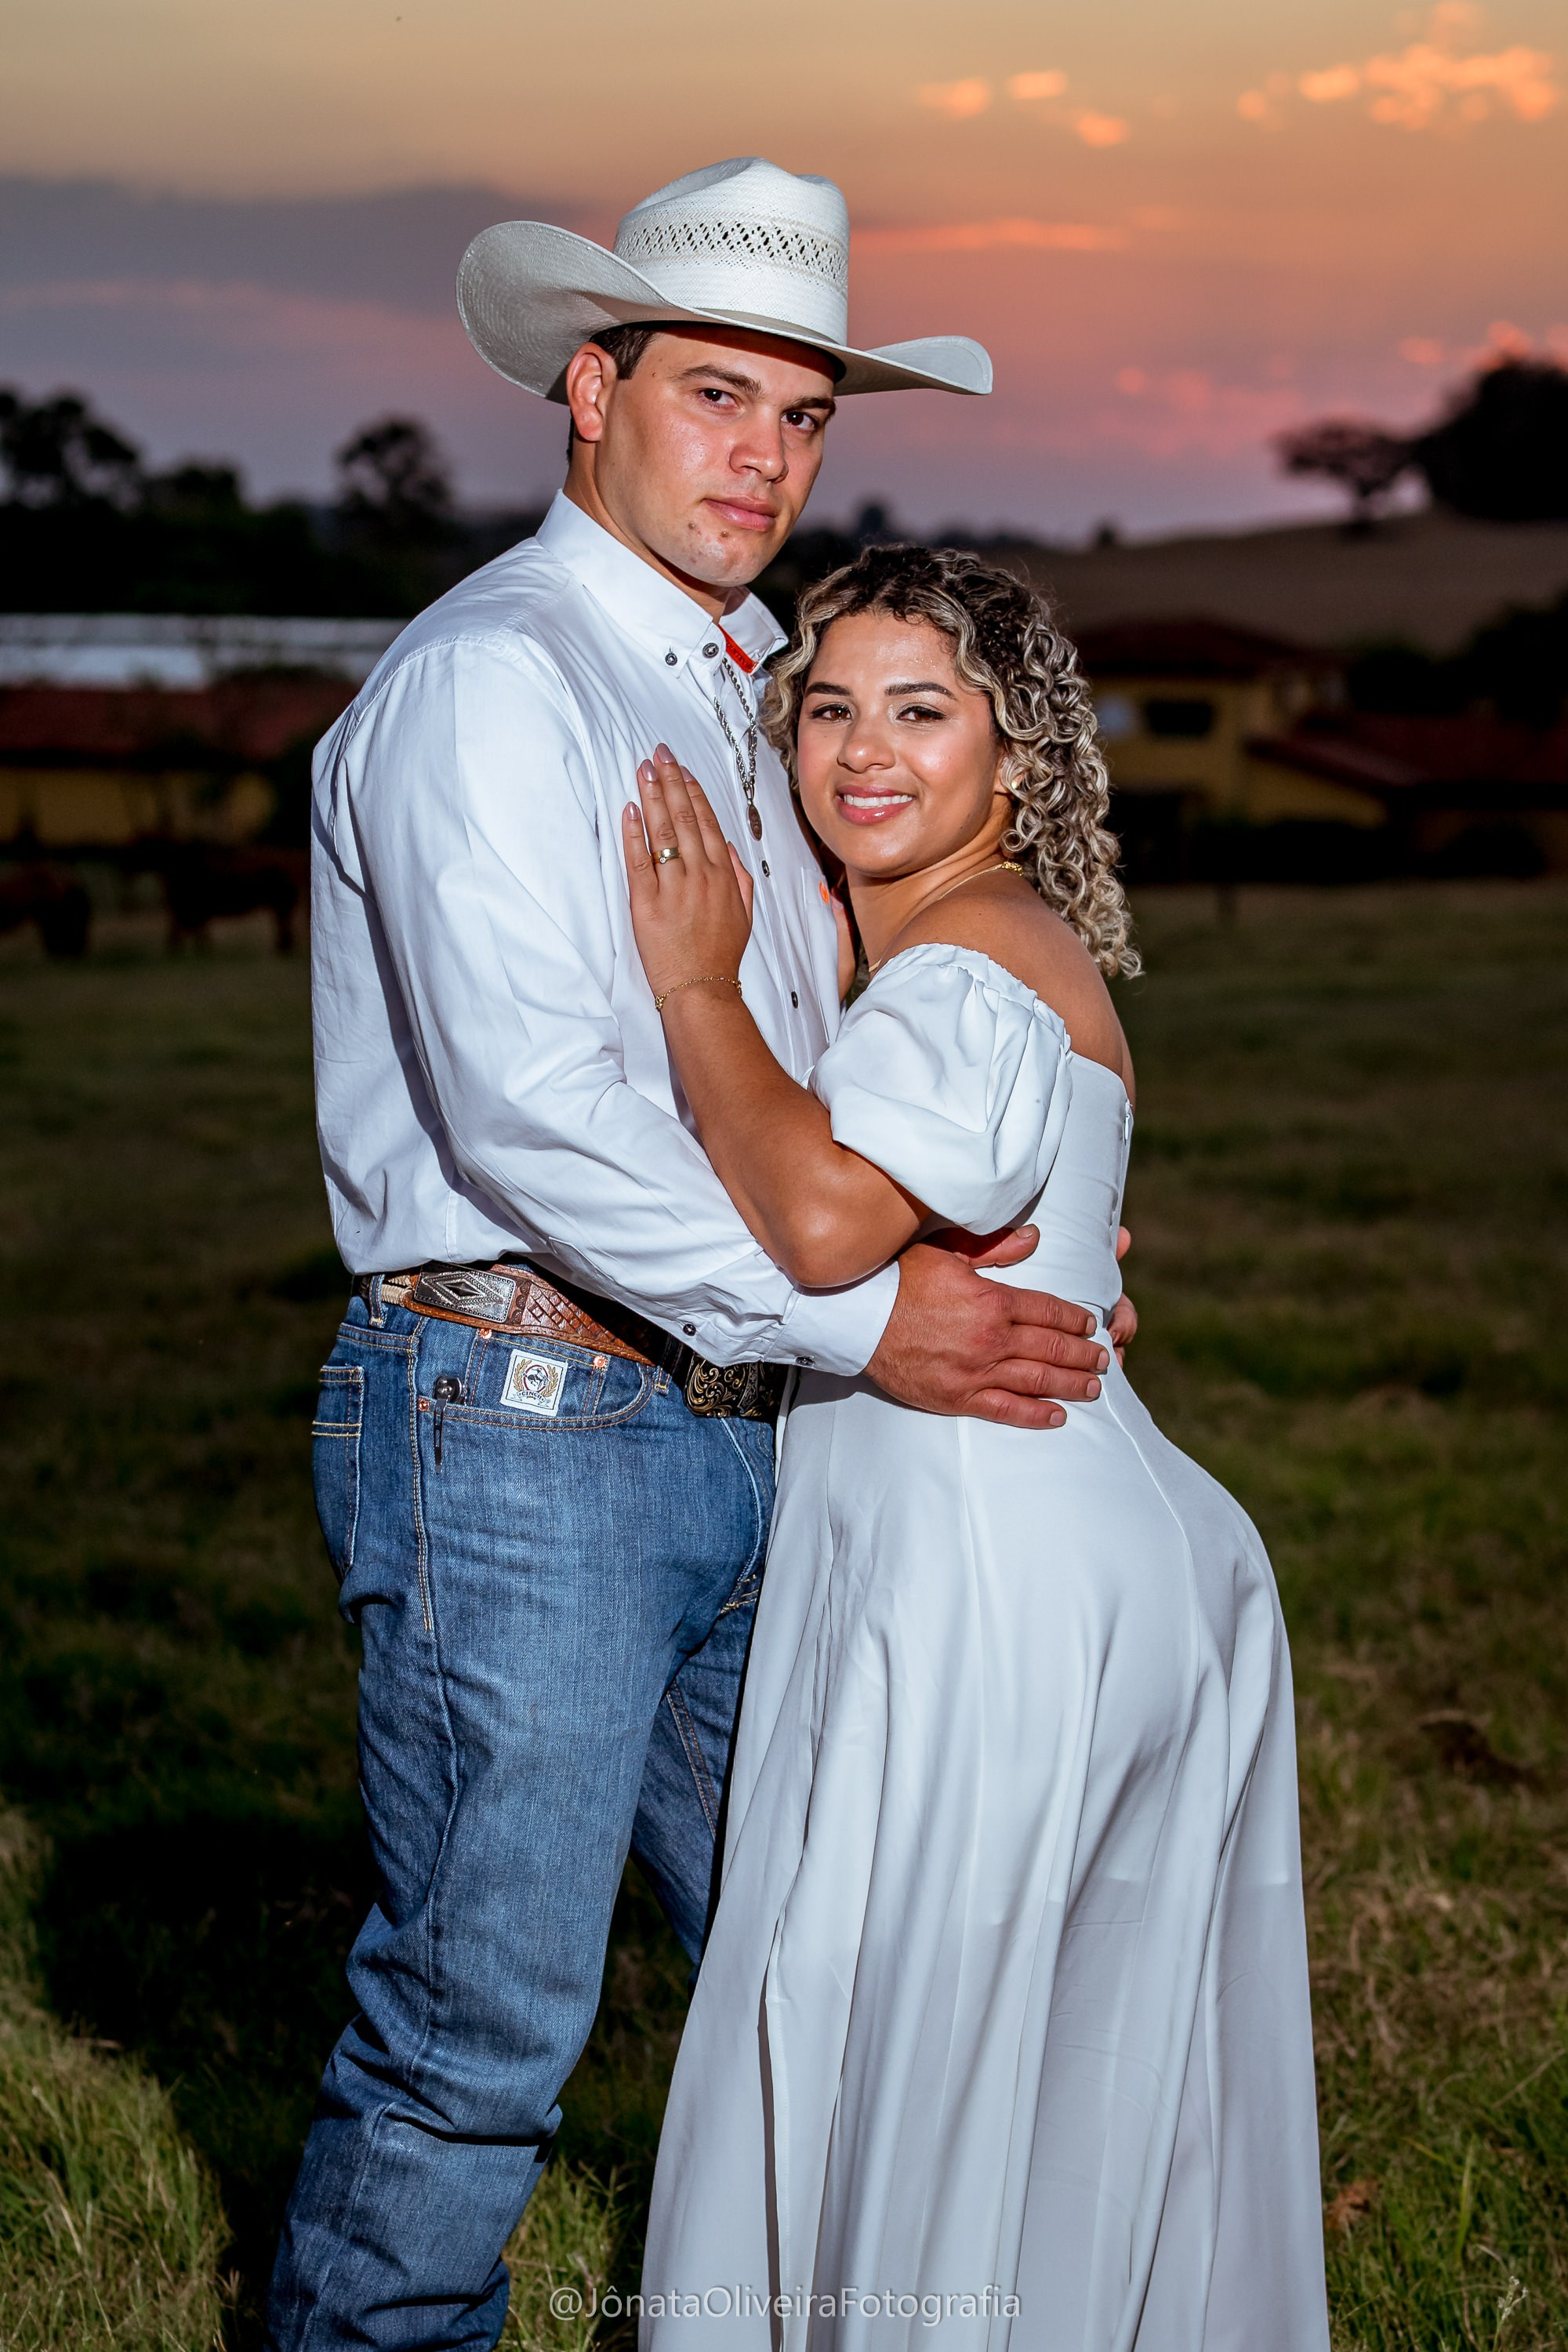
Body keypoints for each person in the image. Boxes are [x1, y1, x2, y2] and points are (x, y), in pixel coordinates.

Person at [267, 159, 1131, 2350]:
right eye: (714, 396)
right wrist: (876, 1317)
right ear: (588, 387)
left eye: (801, 416)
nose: (761, 456)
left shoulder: (742, 689)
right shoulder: (499, 683)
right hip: (529, 1415)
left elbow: (828, 1076)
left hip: (746, 1430)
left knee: (821, 1959)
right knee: (481, 2035)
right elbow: (544, 1122)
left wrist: (1022, 1243)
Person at [627, 545, 1330, 2349]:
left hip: (992, 1576)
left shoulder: (962, 971)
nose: (864, 750)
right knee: (1059, 2076)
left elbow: (817, 1226)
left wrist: (699, 986)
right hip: (1077, 1542)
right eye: (831, 707)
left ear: (1017, 757)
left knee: (932, 2041)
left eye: (922, 712)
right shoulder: (988, 946)